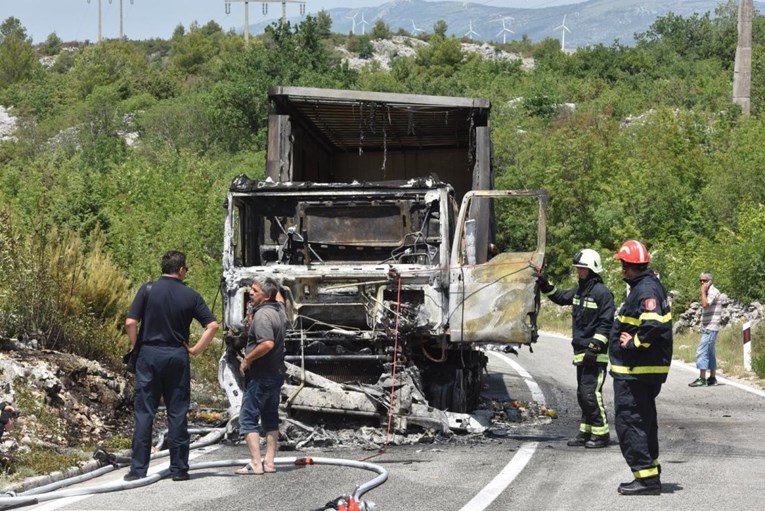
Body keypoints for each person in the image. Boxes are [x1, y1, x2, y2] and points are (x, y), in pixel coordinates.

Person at [124, 251, 219, 482]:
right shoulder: (191, 295)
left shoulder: (148, 290)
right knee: (177, 413)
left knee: (145, 412)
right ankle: (179, 470)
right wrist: (195, 349)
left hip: (149, 354)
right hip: (177, 355)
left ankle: (138, 470)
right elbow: (213, 325)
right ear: (182, 270)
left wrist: (138, 344)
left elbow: (130, 322)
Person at [609, 240, 672, 496]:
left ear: (630, 266)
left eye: (624, 265)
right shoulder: (646, 286)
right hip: (638, 371)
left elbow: (654, 324)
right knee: (643, 422)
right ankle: (650, 472)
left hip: (636, 372)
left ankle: (646, 480)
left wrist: (633, 343)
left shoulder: (646, 290)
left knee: (630, 423)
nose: (622, 270)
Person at [537, 249, 615, 449]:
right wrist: (545, 285)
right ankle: (586, 431)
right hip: (581, 352)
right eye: (578, 269)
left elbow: (606, 324)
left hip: (594, 354)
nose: (579, 272)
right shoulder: (581, 291)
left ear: (592, 269)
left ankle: (602, 433)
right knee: (582, 394)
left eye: (582, 269)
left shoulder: (602, 293)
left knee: (590, 394)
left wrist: (594, 347)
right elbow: (561, 297)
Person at [235, 276, 286, 475]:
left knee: (248, 417)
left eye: (255, 290)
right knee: (270, 416)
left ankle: (256, 463)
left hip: (260, 375)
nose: (250, 292)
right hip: (276, 374)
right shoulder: (279, 310)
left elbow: (267, 344)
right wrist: (273, 280)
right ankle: (270, 462)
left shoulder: (264, 316)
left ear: (266, 296)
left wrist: (247, 359)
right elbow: (279, 297)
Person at [689, 271, 722, 387]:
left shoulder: (712, 292)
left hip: (711, 327)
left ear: (710, 281)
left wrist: (703, 292)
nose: (702, 283)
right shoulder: (709, 292)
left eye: (705, 281)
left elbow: (705, 304)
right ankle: (712, 378)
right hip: (709, 326)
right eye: (701, 281)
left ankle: (702, 378)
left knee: (701, 351)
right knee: (710, 352)